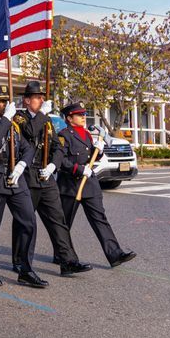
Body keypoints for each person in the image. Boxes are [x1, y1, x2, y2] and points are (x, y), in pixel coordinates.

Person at [12, 81, 93, 277]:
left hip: (46, 176)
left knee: (58, 220)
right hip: (27, 175)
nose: (41, 100)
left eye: (42, 97)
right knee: (25, 222)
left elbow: (58, 147)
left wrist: (52, 166)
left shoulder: (46, 120)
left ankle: (68, 261)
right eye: (37, 97)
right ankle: (21, 261)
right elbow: (30, 132)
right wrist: (43, 115)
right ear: (27, 100)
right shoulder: (19, 118)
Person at [0, 86, 48, 288]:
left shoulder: (14, 126)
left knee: (28, 222)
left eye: (6, 101)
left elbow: (27, 148)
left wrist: (22, 165)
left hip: (16, 179)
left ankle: (24, 268)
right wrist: (6, 119)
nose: (4, 104)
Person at [57, 100, 137, 268]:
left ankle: (114, 253)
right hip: (71, 185)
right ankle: (62, 254)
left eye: (84, 114)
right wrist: (78, 170)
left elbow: (90, 157)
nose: (83, 117)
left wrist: (98, 150)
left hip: (89, 185)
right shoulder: (63, 135)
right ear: (70, 118)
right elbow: (61, 160)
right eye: (79, 115)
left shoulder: (85, 134)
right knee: (64, 223)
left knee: (100, 219)